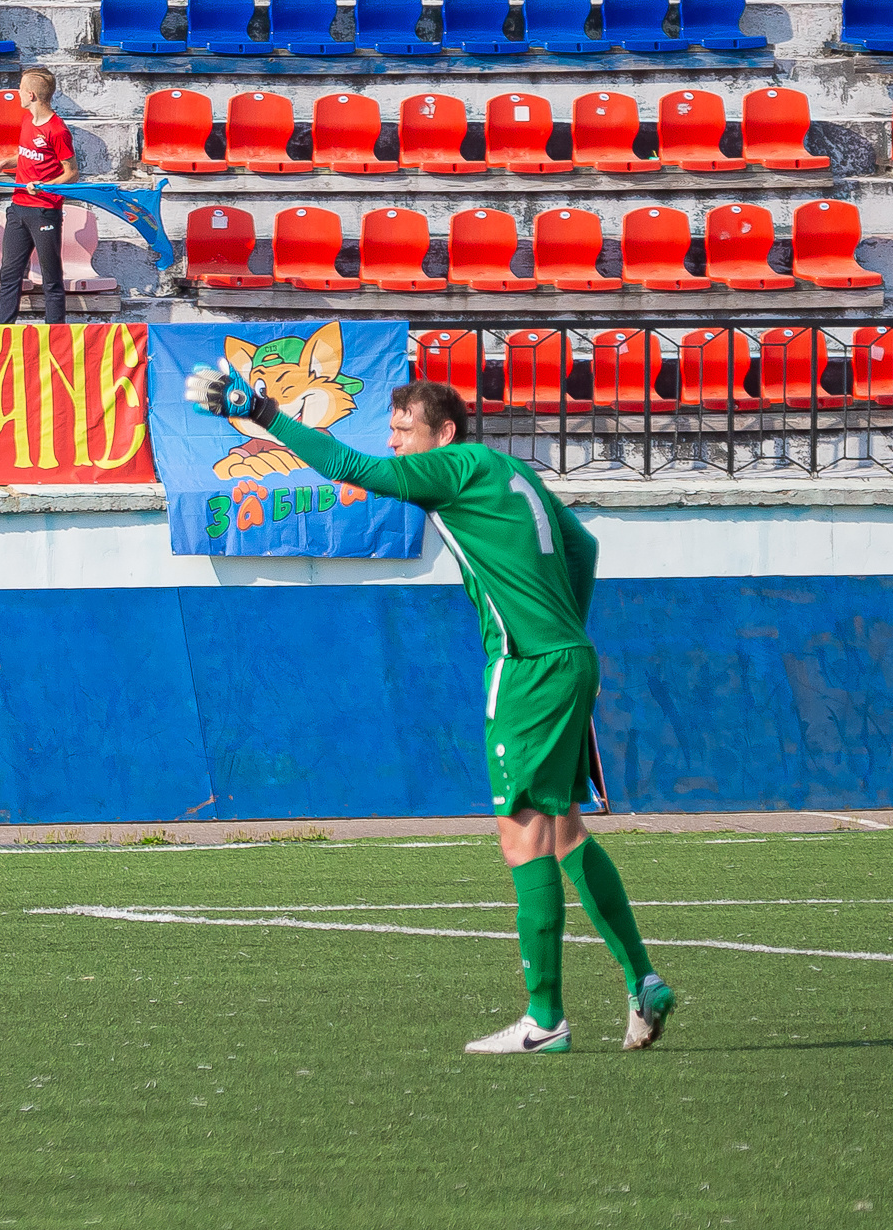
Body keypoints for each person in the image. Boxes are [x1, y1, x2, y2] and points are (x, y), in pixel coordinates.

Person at [182, 373, 676, 1058]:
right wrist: (569, 632)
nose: (392, 440)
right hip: (567, 657)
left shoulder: (451, 467)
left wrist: (264, 412)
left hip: (528, 667)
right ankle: (641, 981)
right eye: (390, 428)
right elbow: (583, 548)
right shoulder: (506, 470)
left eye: (403, 428)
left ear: (443, 433)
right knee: (563, 830)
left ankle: (546, 1020)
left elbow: (349, 468)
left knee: (520, 837)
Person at [0, 67, 76, 326]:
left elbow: (71, 173)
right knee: (10, 274)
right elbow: (27, 155)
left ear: (32, 95)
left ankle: (56, 333)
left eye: (20, 88)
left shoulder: (58, 130)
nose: (17, 93)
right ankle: (3, 331)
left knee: (51, 277)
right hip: (18, 207)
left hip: (44, 210)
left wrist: (45, 185)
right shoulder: (27, 121)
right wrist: (5, 162)